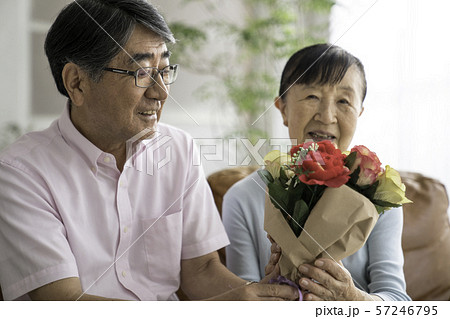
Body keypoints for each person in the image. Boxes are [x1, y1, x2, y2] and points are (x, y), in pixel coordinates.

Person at [0, 0, 299, 301]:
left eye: (165, 71)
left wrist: (250, 296)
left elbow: (201, 269)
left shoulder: (178, 148)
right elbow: (65, 301)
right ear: (76, 83)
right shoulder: (21, 173)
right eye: (141, 73)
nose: (161, 92)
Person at [222, 44, 411, 301]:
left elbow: (398, 302)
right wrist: (266, 292)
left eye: (344, 101)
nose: (327, 116)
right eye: (312, 97)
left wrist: (352, 299)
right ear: (283, 108)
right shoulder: (242, 198)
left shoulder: (380, 197)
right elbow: (240, 301)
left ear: (359, 113)